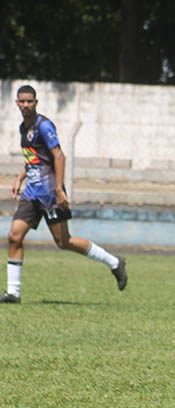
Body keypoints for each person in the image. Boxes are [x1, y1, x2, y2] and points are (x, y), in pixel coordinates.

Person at [1, 85, 127, 303]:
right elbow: (35, 158)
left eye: (30, 101)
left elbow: (59, 156)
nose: (26, 105)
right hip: (31, 194)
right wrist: (20, 177)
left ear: (36, 102)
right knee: (14, 237)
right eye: (22, 101)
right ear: (17, 103)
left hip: (50, 194)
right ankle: (13, 293)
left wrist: (59, 189)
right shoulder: (24, 127)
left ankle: (115, 262)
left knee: (64, 241)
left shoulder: (44, 125)